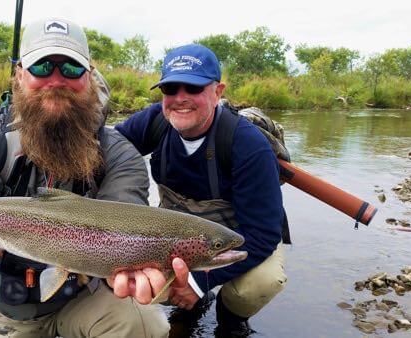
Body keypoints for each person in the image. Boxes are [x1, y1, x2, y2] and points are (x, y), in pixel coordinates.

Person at [0, 18, 169, 337]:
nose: (56, 80)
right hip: (8, 308)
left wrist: (139, 264)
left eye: (71, 69)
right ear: (19, 75)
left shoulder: (119, 154)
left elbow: (127, 224)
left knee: (146, 322)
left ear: (90, 77)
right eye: (42, 67)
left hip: (89, 297)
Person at [115, 44, 287, 337]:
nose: (180, 99)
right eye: (170, 89)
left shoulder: (248, 146)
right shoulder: (155, 121)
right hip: (179, 239)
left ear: (217, 91)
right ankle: (188, 307)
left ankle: (231, 319)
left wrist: (198, 283)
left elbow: (263, 235)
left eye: (193, 88)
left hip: (239, 236)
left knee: (260, 283)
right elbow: (104, 152)